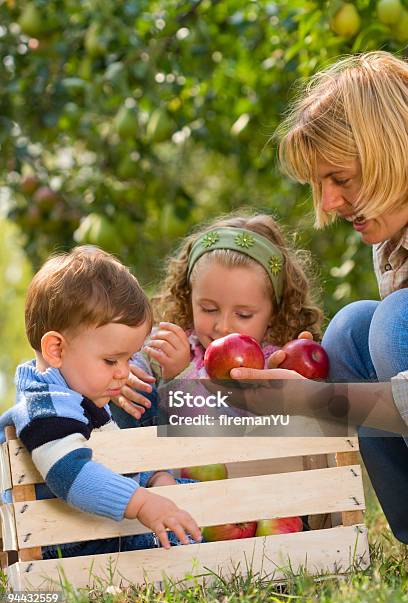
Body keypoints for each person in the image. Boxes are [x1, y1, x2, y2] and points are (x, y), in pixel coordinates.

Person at [230, 51, 408, 543]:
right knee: (351, 331)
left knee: (395, 319)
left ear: (390, 151)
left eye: (341, 179)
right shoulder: (392, 241)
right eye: (321, 184)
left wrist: (318, 399)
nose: (328, 203)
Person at [0, 245, 201, 558]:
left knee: (198, 498)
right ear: (56, 349)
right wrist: (143, 502)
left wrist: (154, 478)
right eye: (111, 360)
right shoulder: (44, 408)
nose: (124, 372)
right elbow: (72, 475)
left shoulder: (78, 393)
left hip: (92, 528)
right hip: (60, 543)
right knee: (179, 536)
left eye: (130, 357)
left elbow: (110, 462)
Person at [116, 212, 323, 412]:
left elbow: (217, 430)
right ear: (188, 298)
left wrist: (180, 376)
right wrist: (123, 374)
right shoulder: (179, 343)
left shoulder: (270, 368)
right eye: (209, 309)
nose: (223, 326)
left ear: (274, 314)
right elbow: (137, 357)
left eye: (243, 314)